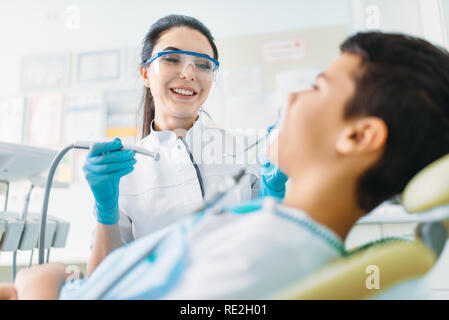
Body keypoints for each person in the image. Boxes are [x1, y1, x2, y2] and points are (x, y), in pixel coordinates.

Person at [3, 31, 449, 300]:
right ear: (145, 74)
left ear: (358, 136)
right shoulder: (277, 234)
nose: (290, 98)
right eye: (172, 60)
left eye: (316, 87)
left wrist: (40, 287)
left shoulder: (265, 249)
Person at [85, 15, 282, 275]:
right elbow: (101, 281)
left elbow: (277, 252)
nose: (189, 73)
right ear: (145, 73)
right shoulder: (125, 170)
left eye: (203, 65)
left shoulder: (249, 150)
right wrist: (106, 209)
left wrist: (276, 193)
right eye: (171, 59)